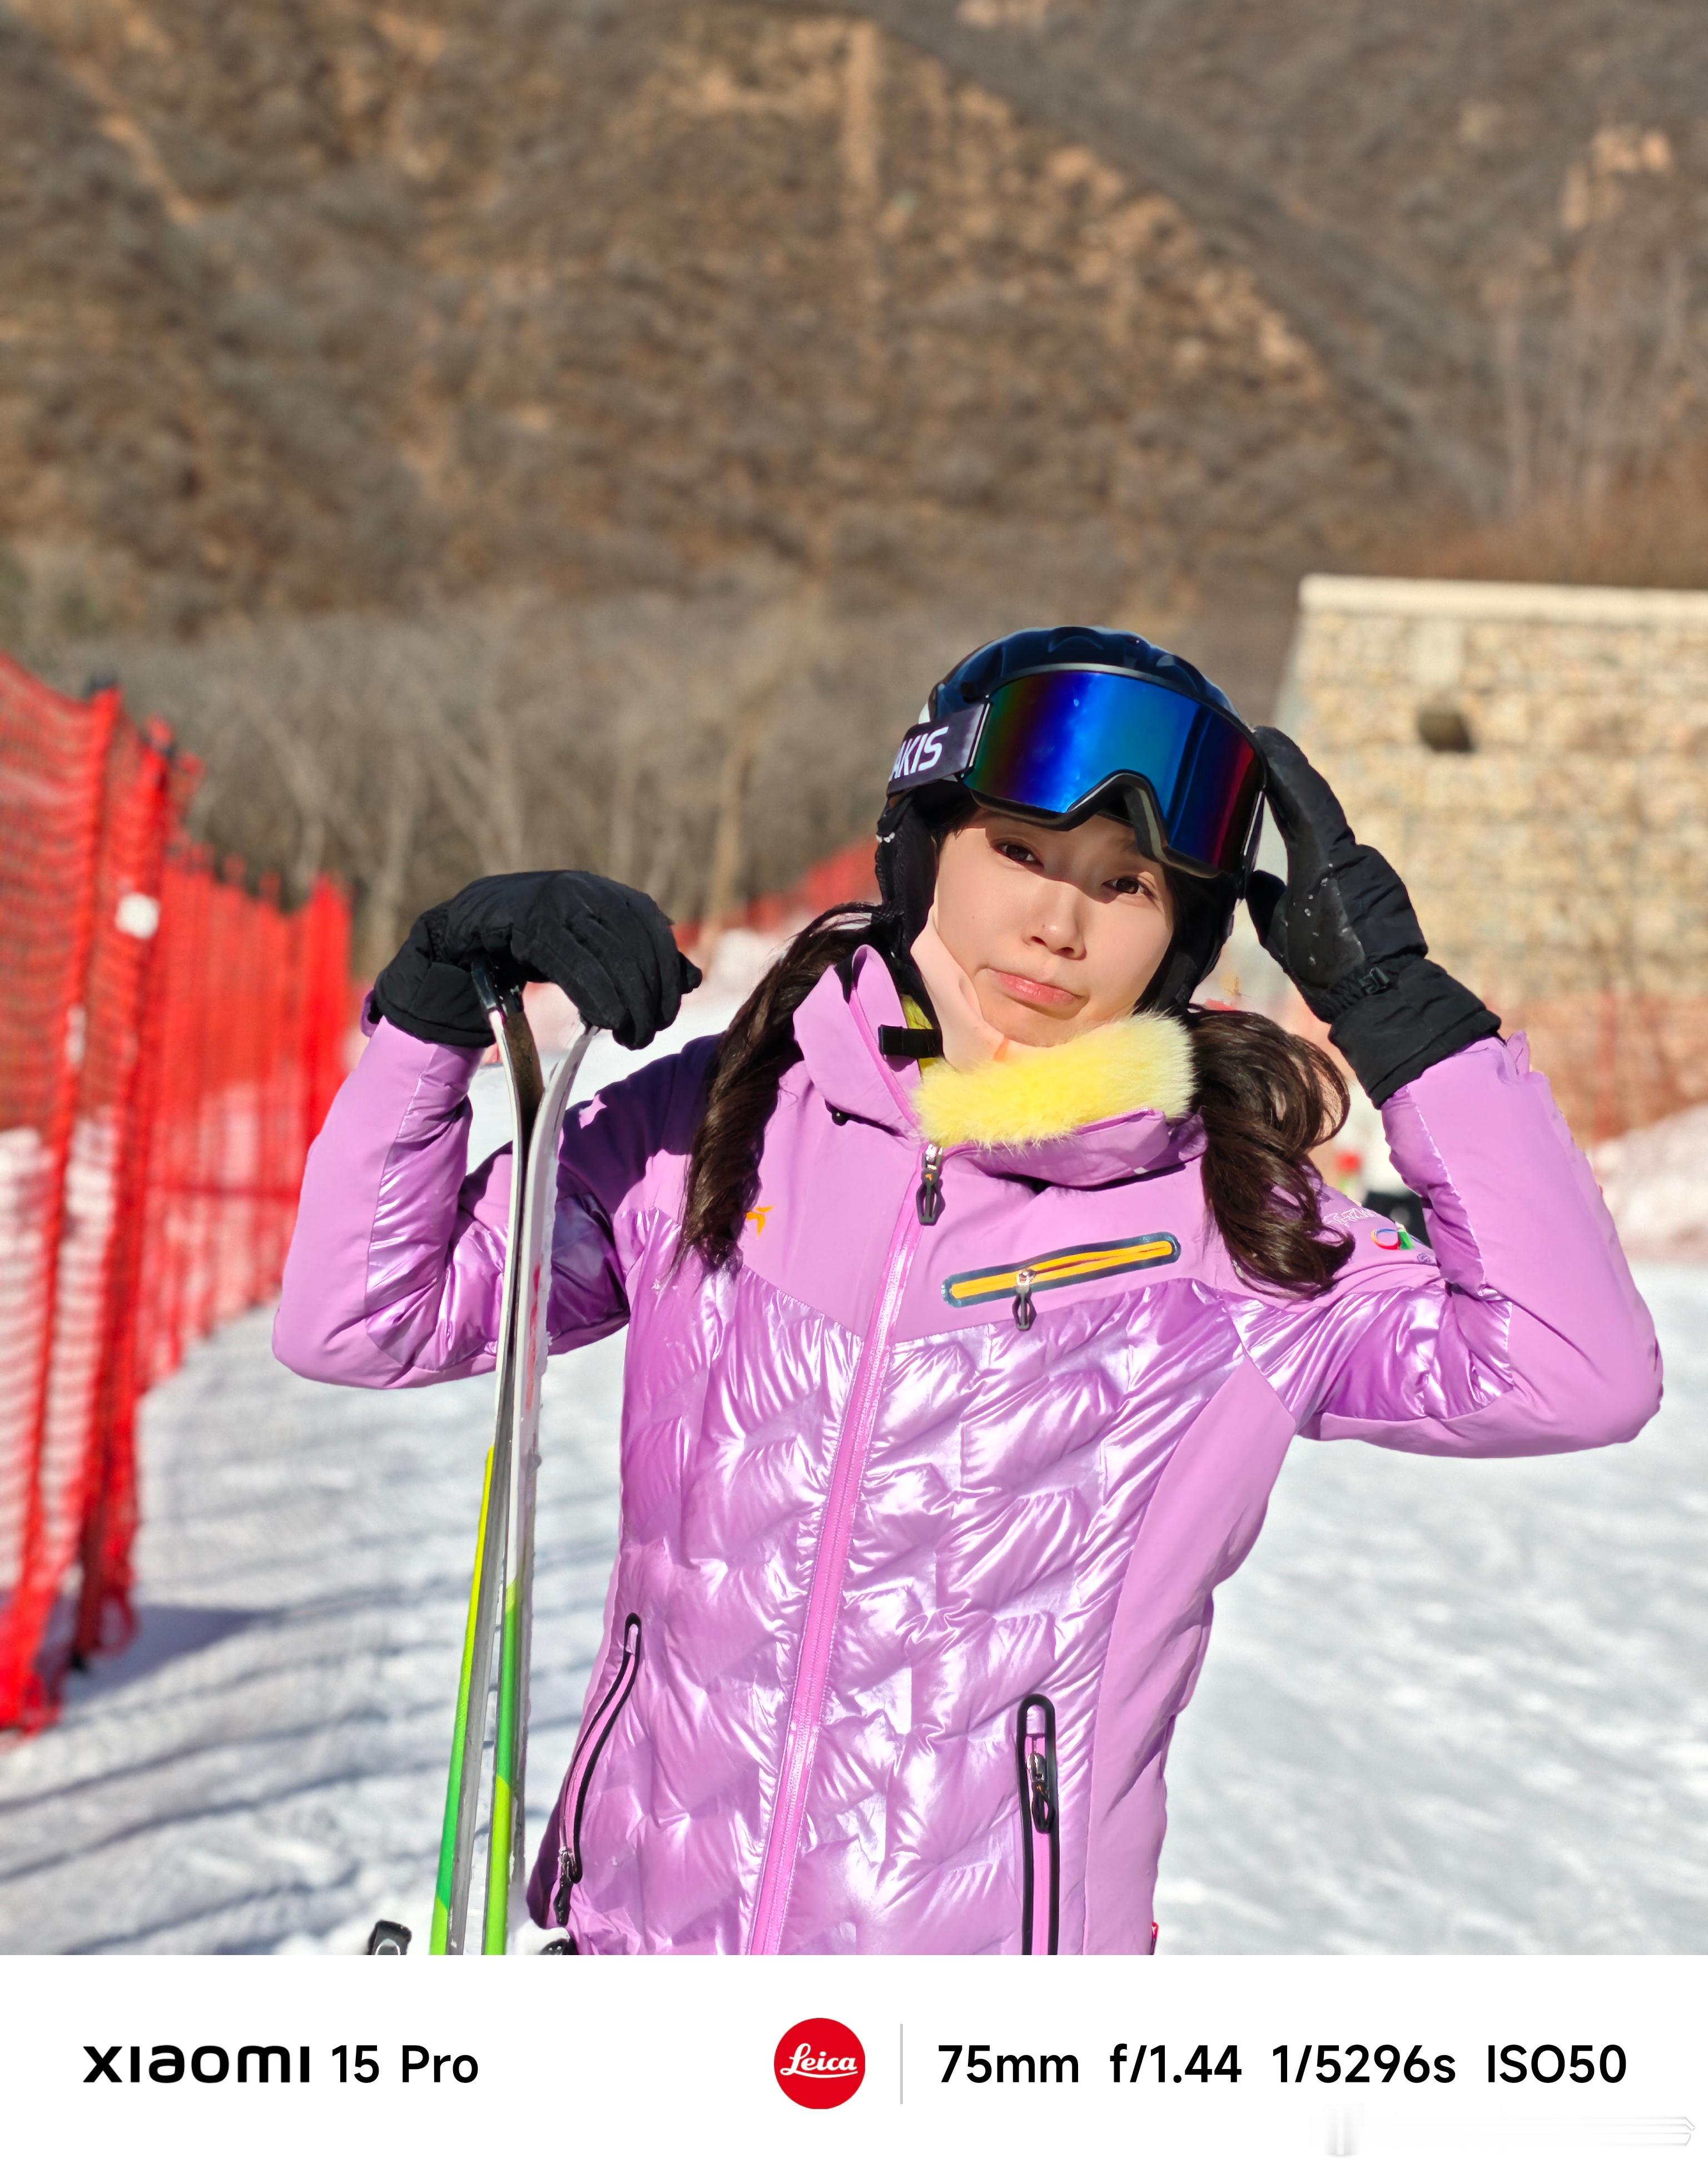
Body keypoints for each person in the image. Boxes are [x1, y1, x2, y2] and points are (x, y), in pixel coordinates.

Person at [274, 625, 1661, 1955]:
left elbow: (1568, 1366)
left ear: (1179, 938)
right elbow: (368, 1317)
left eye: (1127, 884)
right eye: (1023, 852)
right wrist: (436, 1013)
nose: (1059, 922)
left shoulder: (1226, 1227)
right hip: (649, 1972)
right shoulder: (728, 1124)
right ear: (928, 848)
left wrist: (1410, 1023)